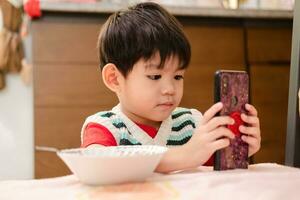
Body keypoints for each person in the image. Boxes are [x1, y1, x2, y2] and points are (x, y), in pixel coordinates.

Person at [80, 2, 261, 173]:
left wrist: (237, 150)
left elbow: (213, 176)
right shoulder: (105, 127)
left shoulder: (192, 125)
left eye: (178, 76)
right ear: (114, 79)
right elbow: (98, 165)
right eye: (155, 76)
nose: (170, 89)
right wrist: (184, 155)